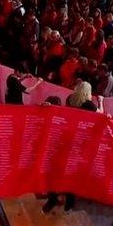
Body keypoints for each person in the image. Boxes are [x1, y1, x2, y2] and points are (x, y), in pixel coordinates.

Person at [43, 82, 100, 213]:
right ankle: (69, 203)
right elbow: (100, 114)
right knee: (72, 173)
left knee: (56, 170)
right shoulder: (89, 105)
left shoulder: (70, 99)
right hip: (79, 142)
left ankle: (52, 198)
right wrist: (101, 101)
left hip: (66, 138)